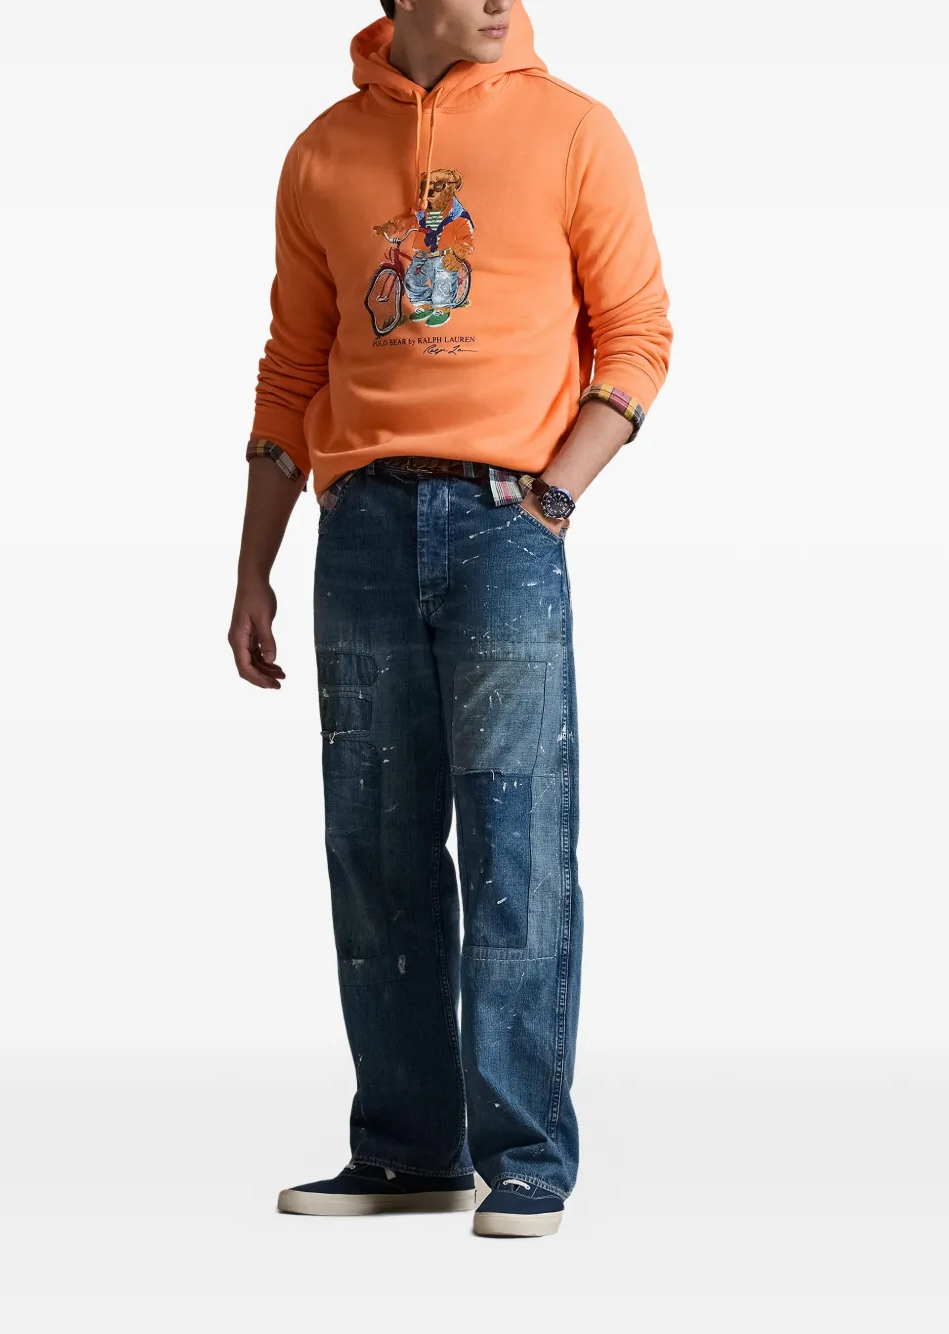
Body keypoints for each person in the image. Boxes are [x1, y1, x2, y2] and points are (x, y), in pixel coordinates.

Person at [228, 0, 672, 1239]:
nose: (498, 2)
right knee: (375, 849)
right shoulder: (322, 151)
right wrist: (253, 565)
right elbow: (292, 364)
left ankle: (525, 1156)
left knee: (515, 839)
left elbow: (637, 335)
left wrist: (553, 498)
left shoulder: (575, 129)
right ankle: (406, 1148)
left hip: (504, 521)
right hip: (360, 526)